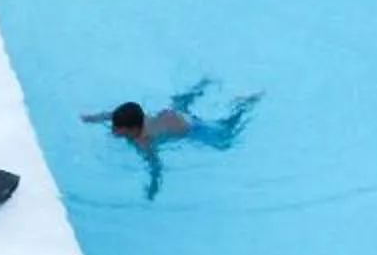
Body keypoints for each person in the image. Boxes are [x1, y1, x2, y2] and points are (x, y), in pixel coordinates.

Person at [83, 80, 262, 198]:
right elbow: (110, 115)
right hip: (171, 116)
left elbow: (155, 165)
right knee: (180, 105)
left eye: (118, 129)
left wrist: (153, 186)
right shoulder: (132, 117)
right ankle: (202, 86)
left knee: (226, 138)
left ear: (133, 129)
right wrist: (91, 118)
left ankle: (242, 105)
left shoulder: (143, 141)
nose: (113, 131)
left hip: (192, 128)